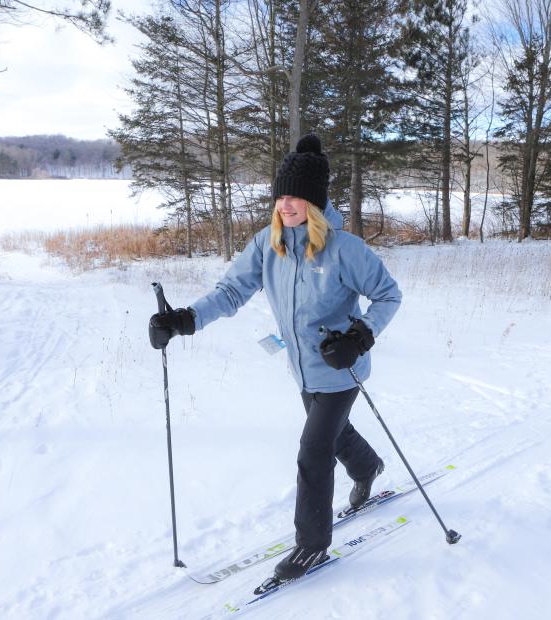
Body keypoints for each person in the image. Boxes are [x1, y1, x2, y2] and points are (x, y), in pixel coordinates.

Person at [148, 133, 402, 582]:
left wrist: (360, 335)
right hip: (302, 368)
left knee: (313, 450)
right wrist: (186, 320)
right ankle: (369, 466)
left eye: (297, 197)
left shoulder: (344, 249)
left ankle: (312, 546)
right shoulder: (269, 243)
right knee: (333, 436)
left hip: (341, 369)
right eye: (281, 196)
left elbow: (387, 295)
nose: (286, 205)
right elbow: (231, 291)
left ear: (315, 202)